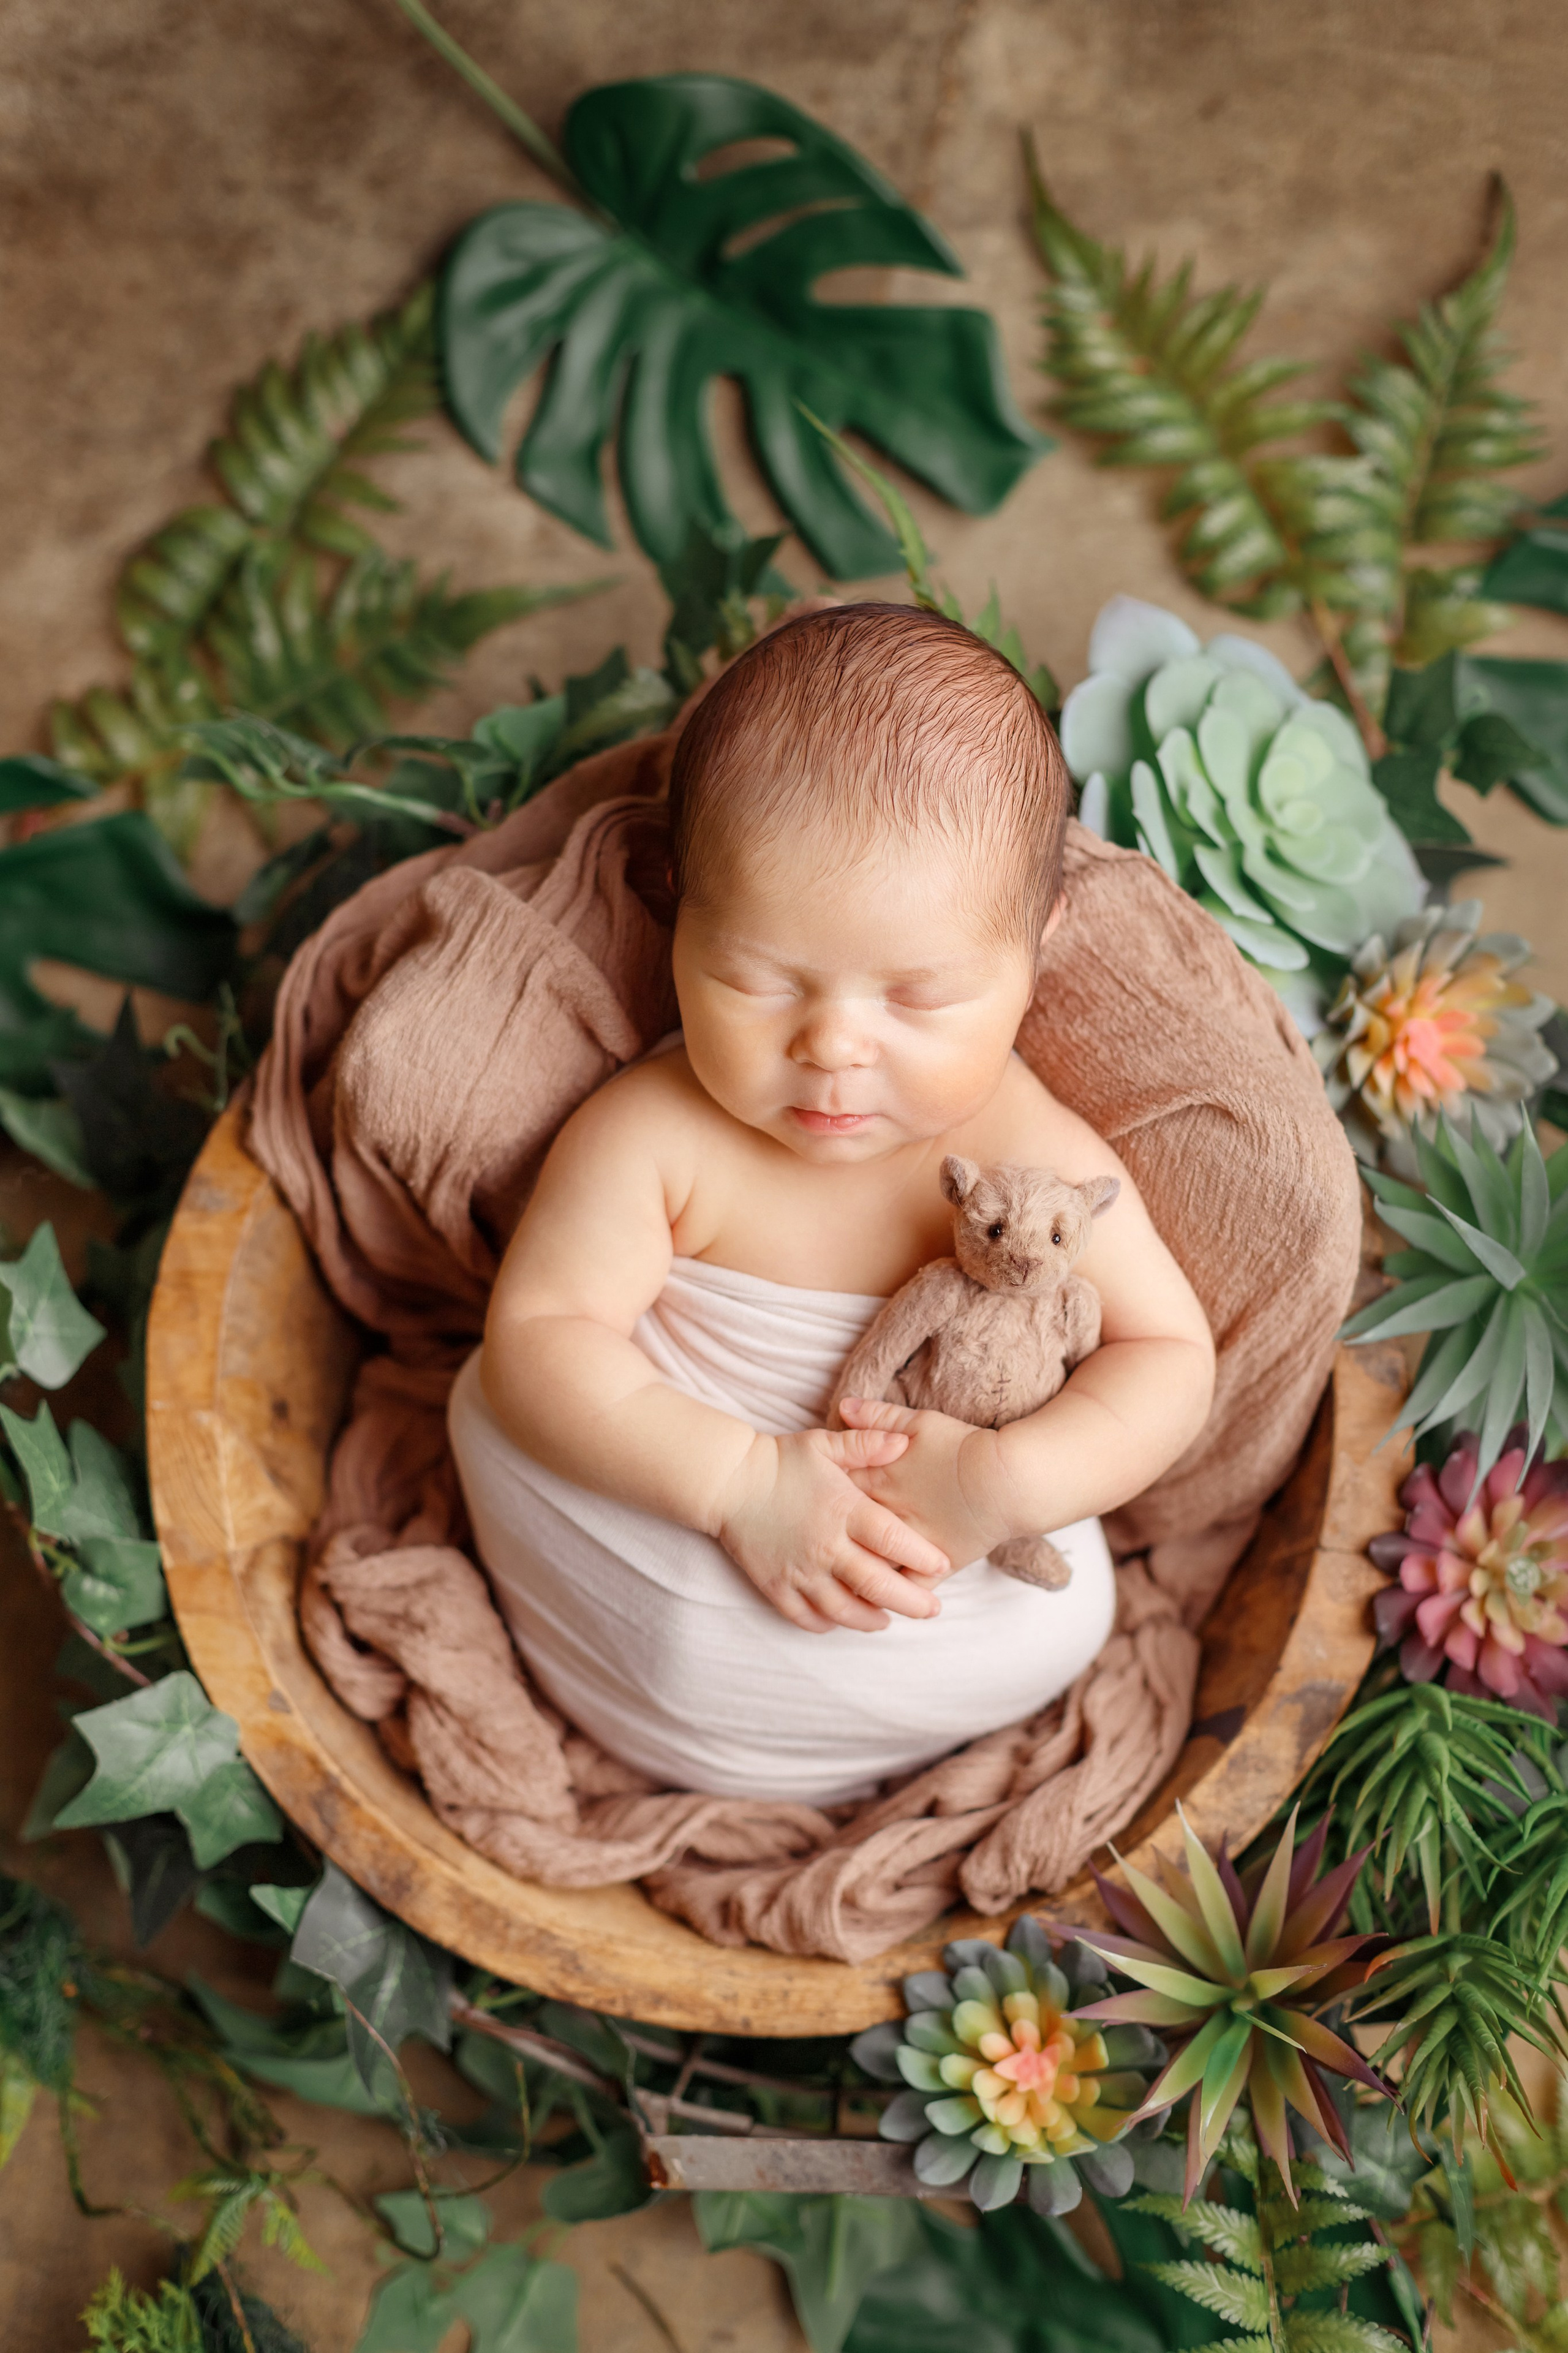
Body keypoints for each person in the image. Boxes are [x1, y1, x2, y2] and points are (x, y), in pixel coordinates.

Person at [448, 603, 1215, 1807]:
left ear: (1036, 949)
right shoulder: (655, 1134)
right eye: (754, 978)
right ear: (672, 913)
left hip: (945, 1570)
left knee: (1067, 1620)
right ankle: (681, 1703)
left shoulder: (1022, 1148)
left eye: (918, 998)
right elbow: (540, 1340)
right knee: (491, 1411)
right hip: (678, 1564)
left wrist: (1008, 1484)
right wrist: (739, 1483)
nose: (833, 1049)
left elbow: (1169, 1354)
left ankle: (804, 1722)